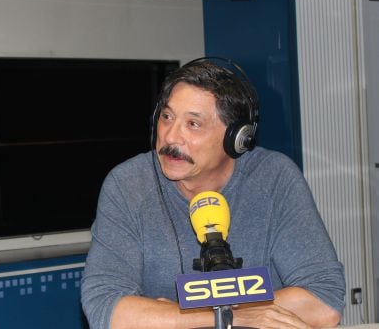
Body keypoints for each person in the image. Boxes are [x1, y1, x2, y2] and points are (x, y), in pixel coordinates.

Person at [80, 59, 345, 329]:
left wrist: (172, 315)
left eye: (193, 124)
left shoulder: (274, 179)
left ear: (237, 139)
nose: (171, 137)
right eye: (167, 117)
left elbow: (324, 301)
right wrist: (236, 316)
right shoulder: (128, 185)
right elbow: (106, 310)